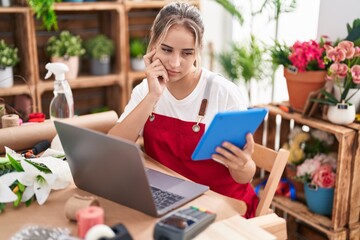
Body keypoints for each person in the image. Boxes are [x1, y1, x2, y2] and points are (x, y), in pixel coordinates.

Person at [108, 1, 258, 218]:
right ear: (153, 44)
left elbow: (244, 177)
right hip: (169, 199)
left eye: (187, 53)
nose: (175, 63)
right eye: (166, 50)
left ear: (198, 51)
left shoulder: (223, 93)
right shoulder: (146, 90)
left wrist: (243, 165)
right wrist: (153, 96)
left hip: (222, 204)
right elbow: (114, 147)